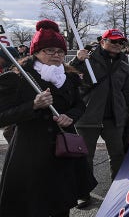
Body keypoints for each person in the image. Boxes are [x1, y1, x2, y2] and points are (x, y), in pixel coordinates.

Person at [0, 19, 96, 216]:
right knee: (33, 206)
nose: (56, 55)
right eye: (49, 50)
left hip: (64, 151)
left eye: (60, 51)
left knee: (62, 204)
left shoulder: (69, 77)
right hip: (30, 153)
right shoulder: (19, 77)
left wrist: (71, 116)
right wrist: (33, 105)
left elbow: (79, 104)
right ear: (36, 52)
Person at [70, 28, 129, 207]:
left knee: (118, 154)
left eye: (120, 42)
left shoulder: (124, 64)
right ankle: (84, 192)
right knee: (85, 157)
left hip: (114, 117)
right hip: (88, 116)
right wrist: (77, 60)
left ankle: (119, 191)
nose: (117, 45)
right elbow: (68, 78)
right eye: (112, 41)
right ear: (102, 41)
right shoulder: (88, 59)